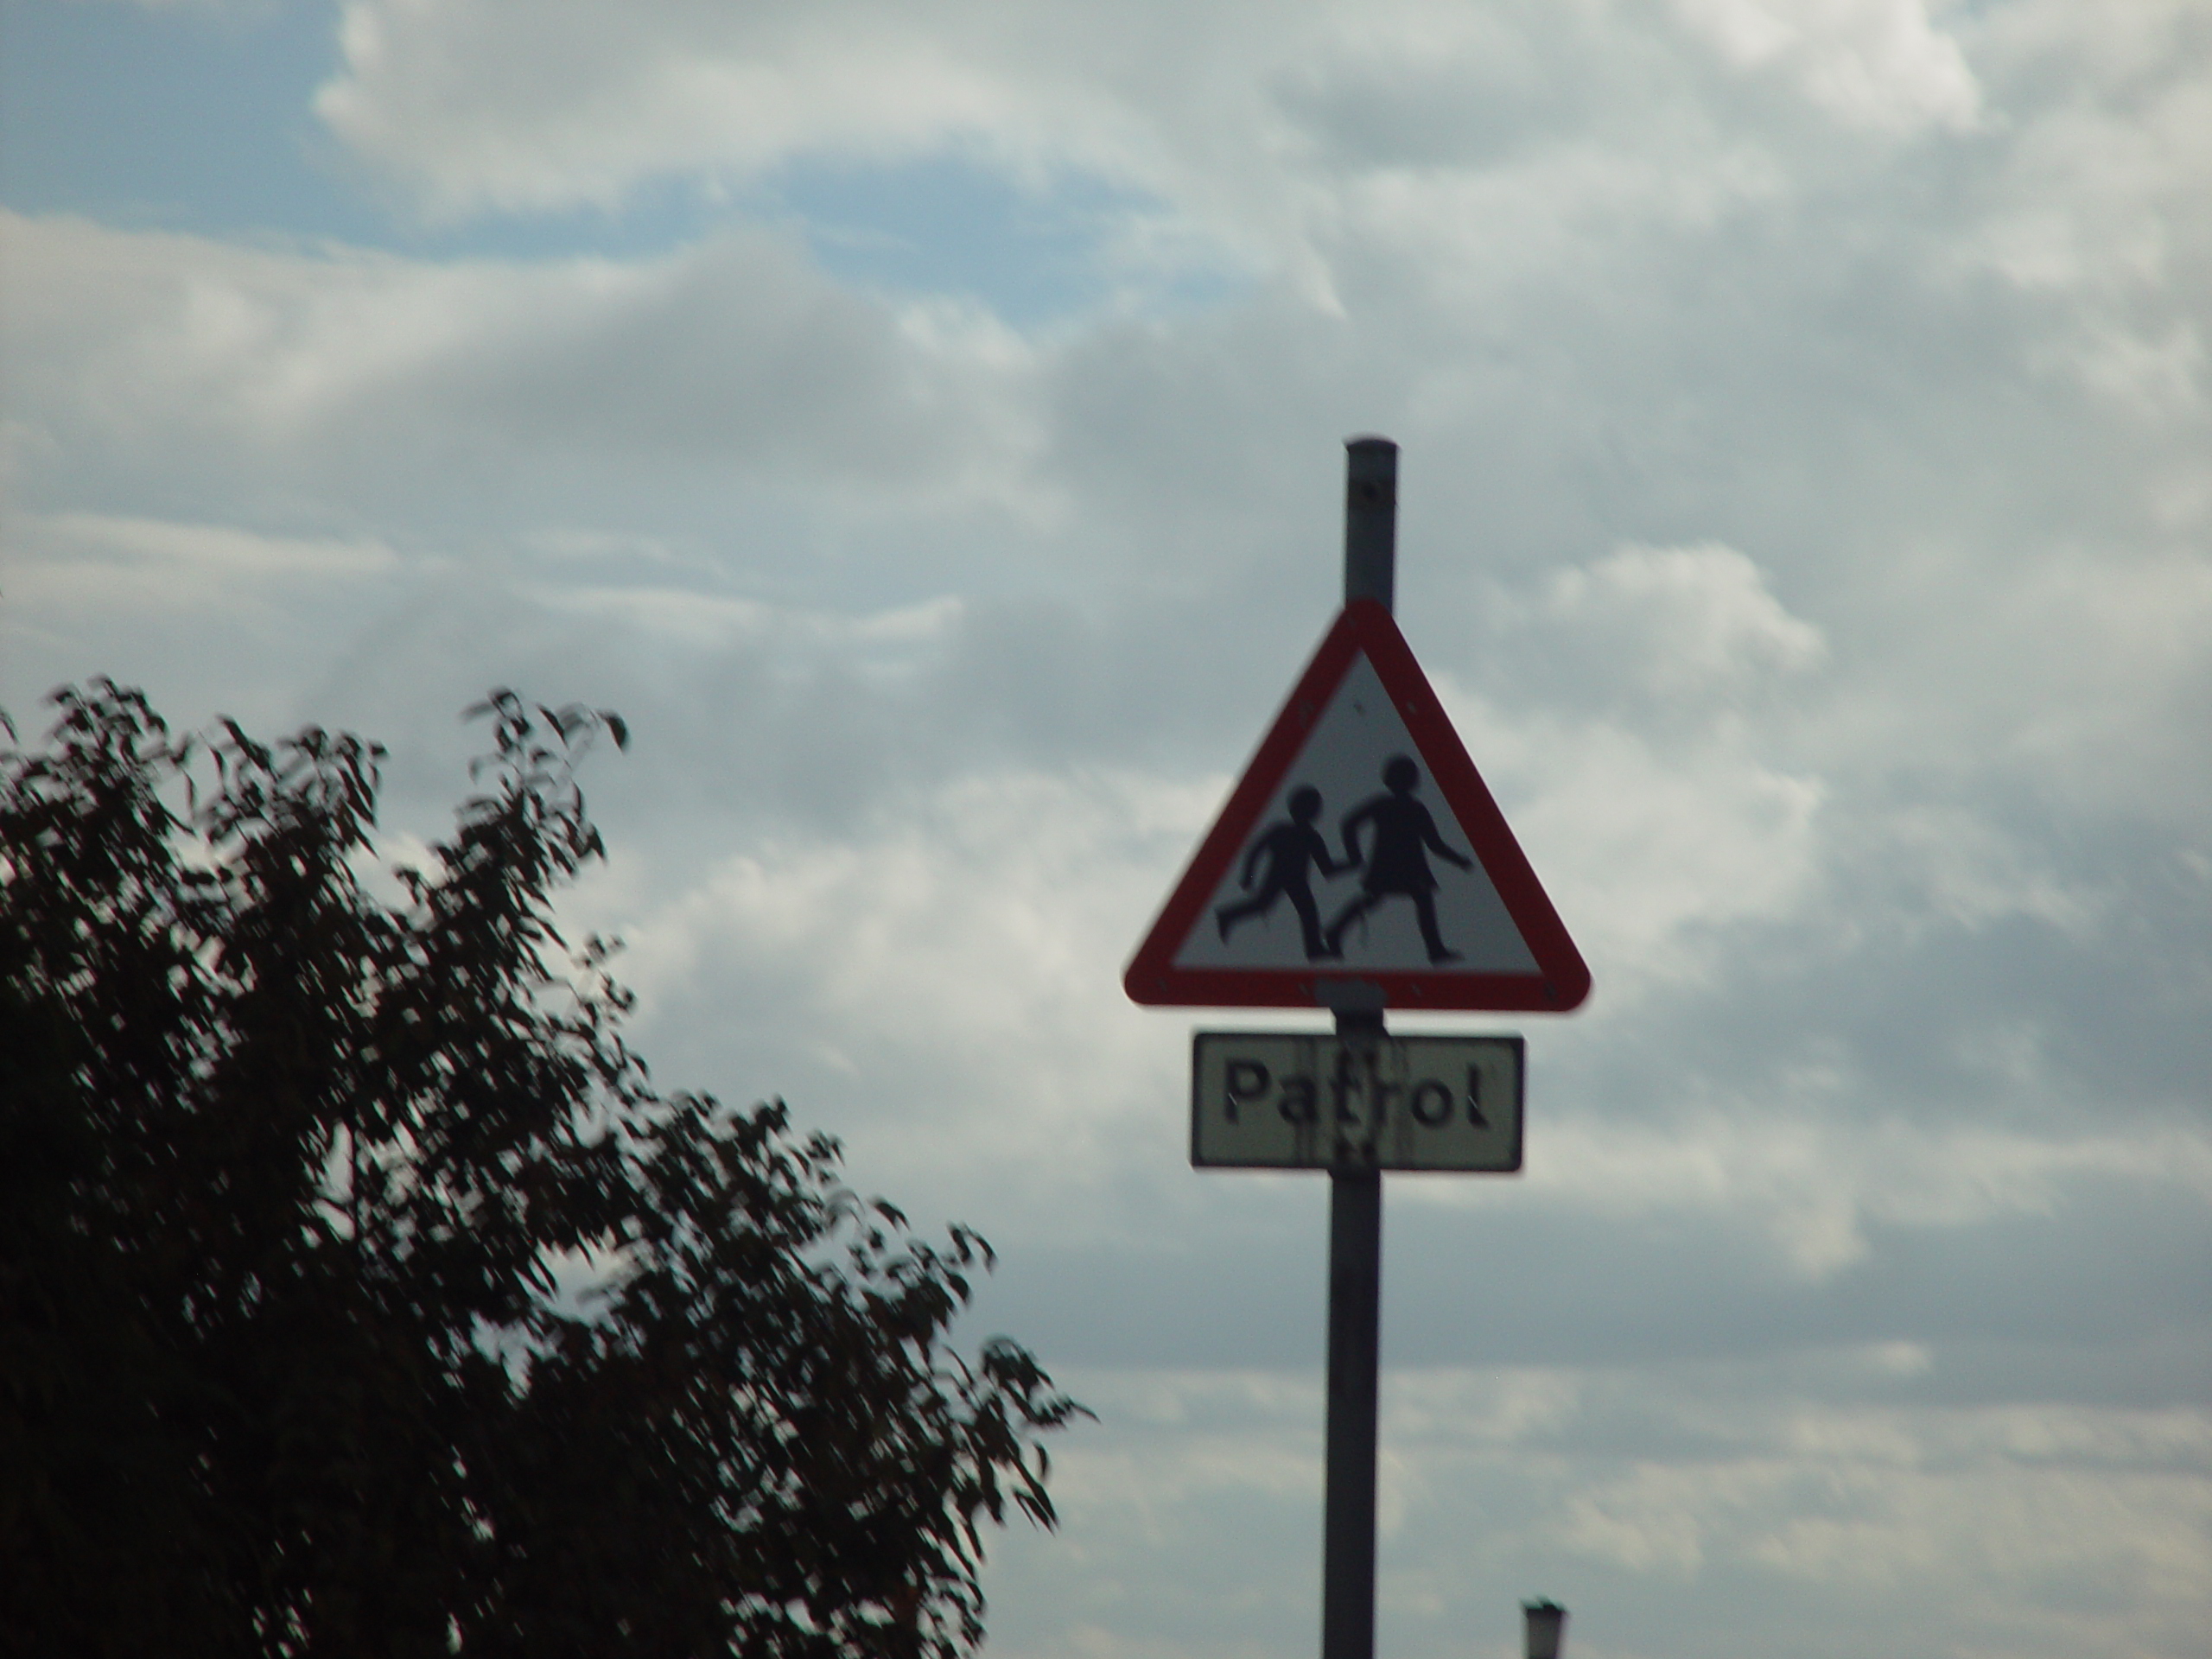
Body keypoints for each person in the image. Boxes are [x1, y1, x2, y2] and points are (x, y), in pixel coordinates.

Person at [1323, 754, 1473, 963]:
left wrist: (1458, 860)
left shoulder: (1414, 808)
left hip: (1407, 865)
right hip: (1393, 864)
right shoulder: (1389, 804)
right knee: (1403, 898)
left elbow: (1434, 843)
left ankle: (1335, 930)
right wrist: (1355, 855)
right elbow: (1350, 823)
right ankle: (1434, 949)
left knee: (1400, 898)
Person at [1215, 785, 1346, 960]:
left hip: (1296, 880)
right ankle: (1227, 915)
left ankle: (1313, 948)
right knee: (1268, 905)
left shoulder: (1311, 836)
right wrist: (1249, 875)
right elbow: (1256, 849)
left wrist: (1350, 865)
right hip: (1280, 877)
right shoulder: (1282, 830)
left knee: (1304, 912)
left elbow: (1326, 868)